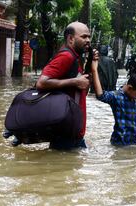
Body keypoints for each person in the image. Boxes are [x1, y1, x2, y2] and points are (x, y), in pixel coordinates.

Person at [35, 21, 91, 149]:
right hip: (66, 132)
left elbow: (83, 92)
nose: (88, 40)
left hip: (73, 131)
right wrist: (75, 81)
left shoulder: (76, 58)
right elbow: (41, 83)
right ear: (71, 39)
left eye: (89, 37)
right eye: (83, 37)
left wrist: (92, 66)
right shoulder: (66, 57)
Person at [91, 50, 136, 146]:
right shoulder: (116, 97)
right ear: (130, 88)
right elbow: (100, 95)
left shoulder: (132, 99)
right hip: (119, 143)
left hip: (131, 142)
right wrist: (94, 70)